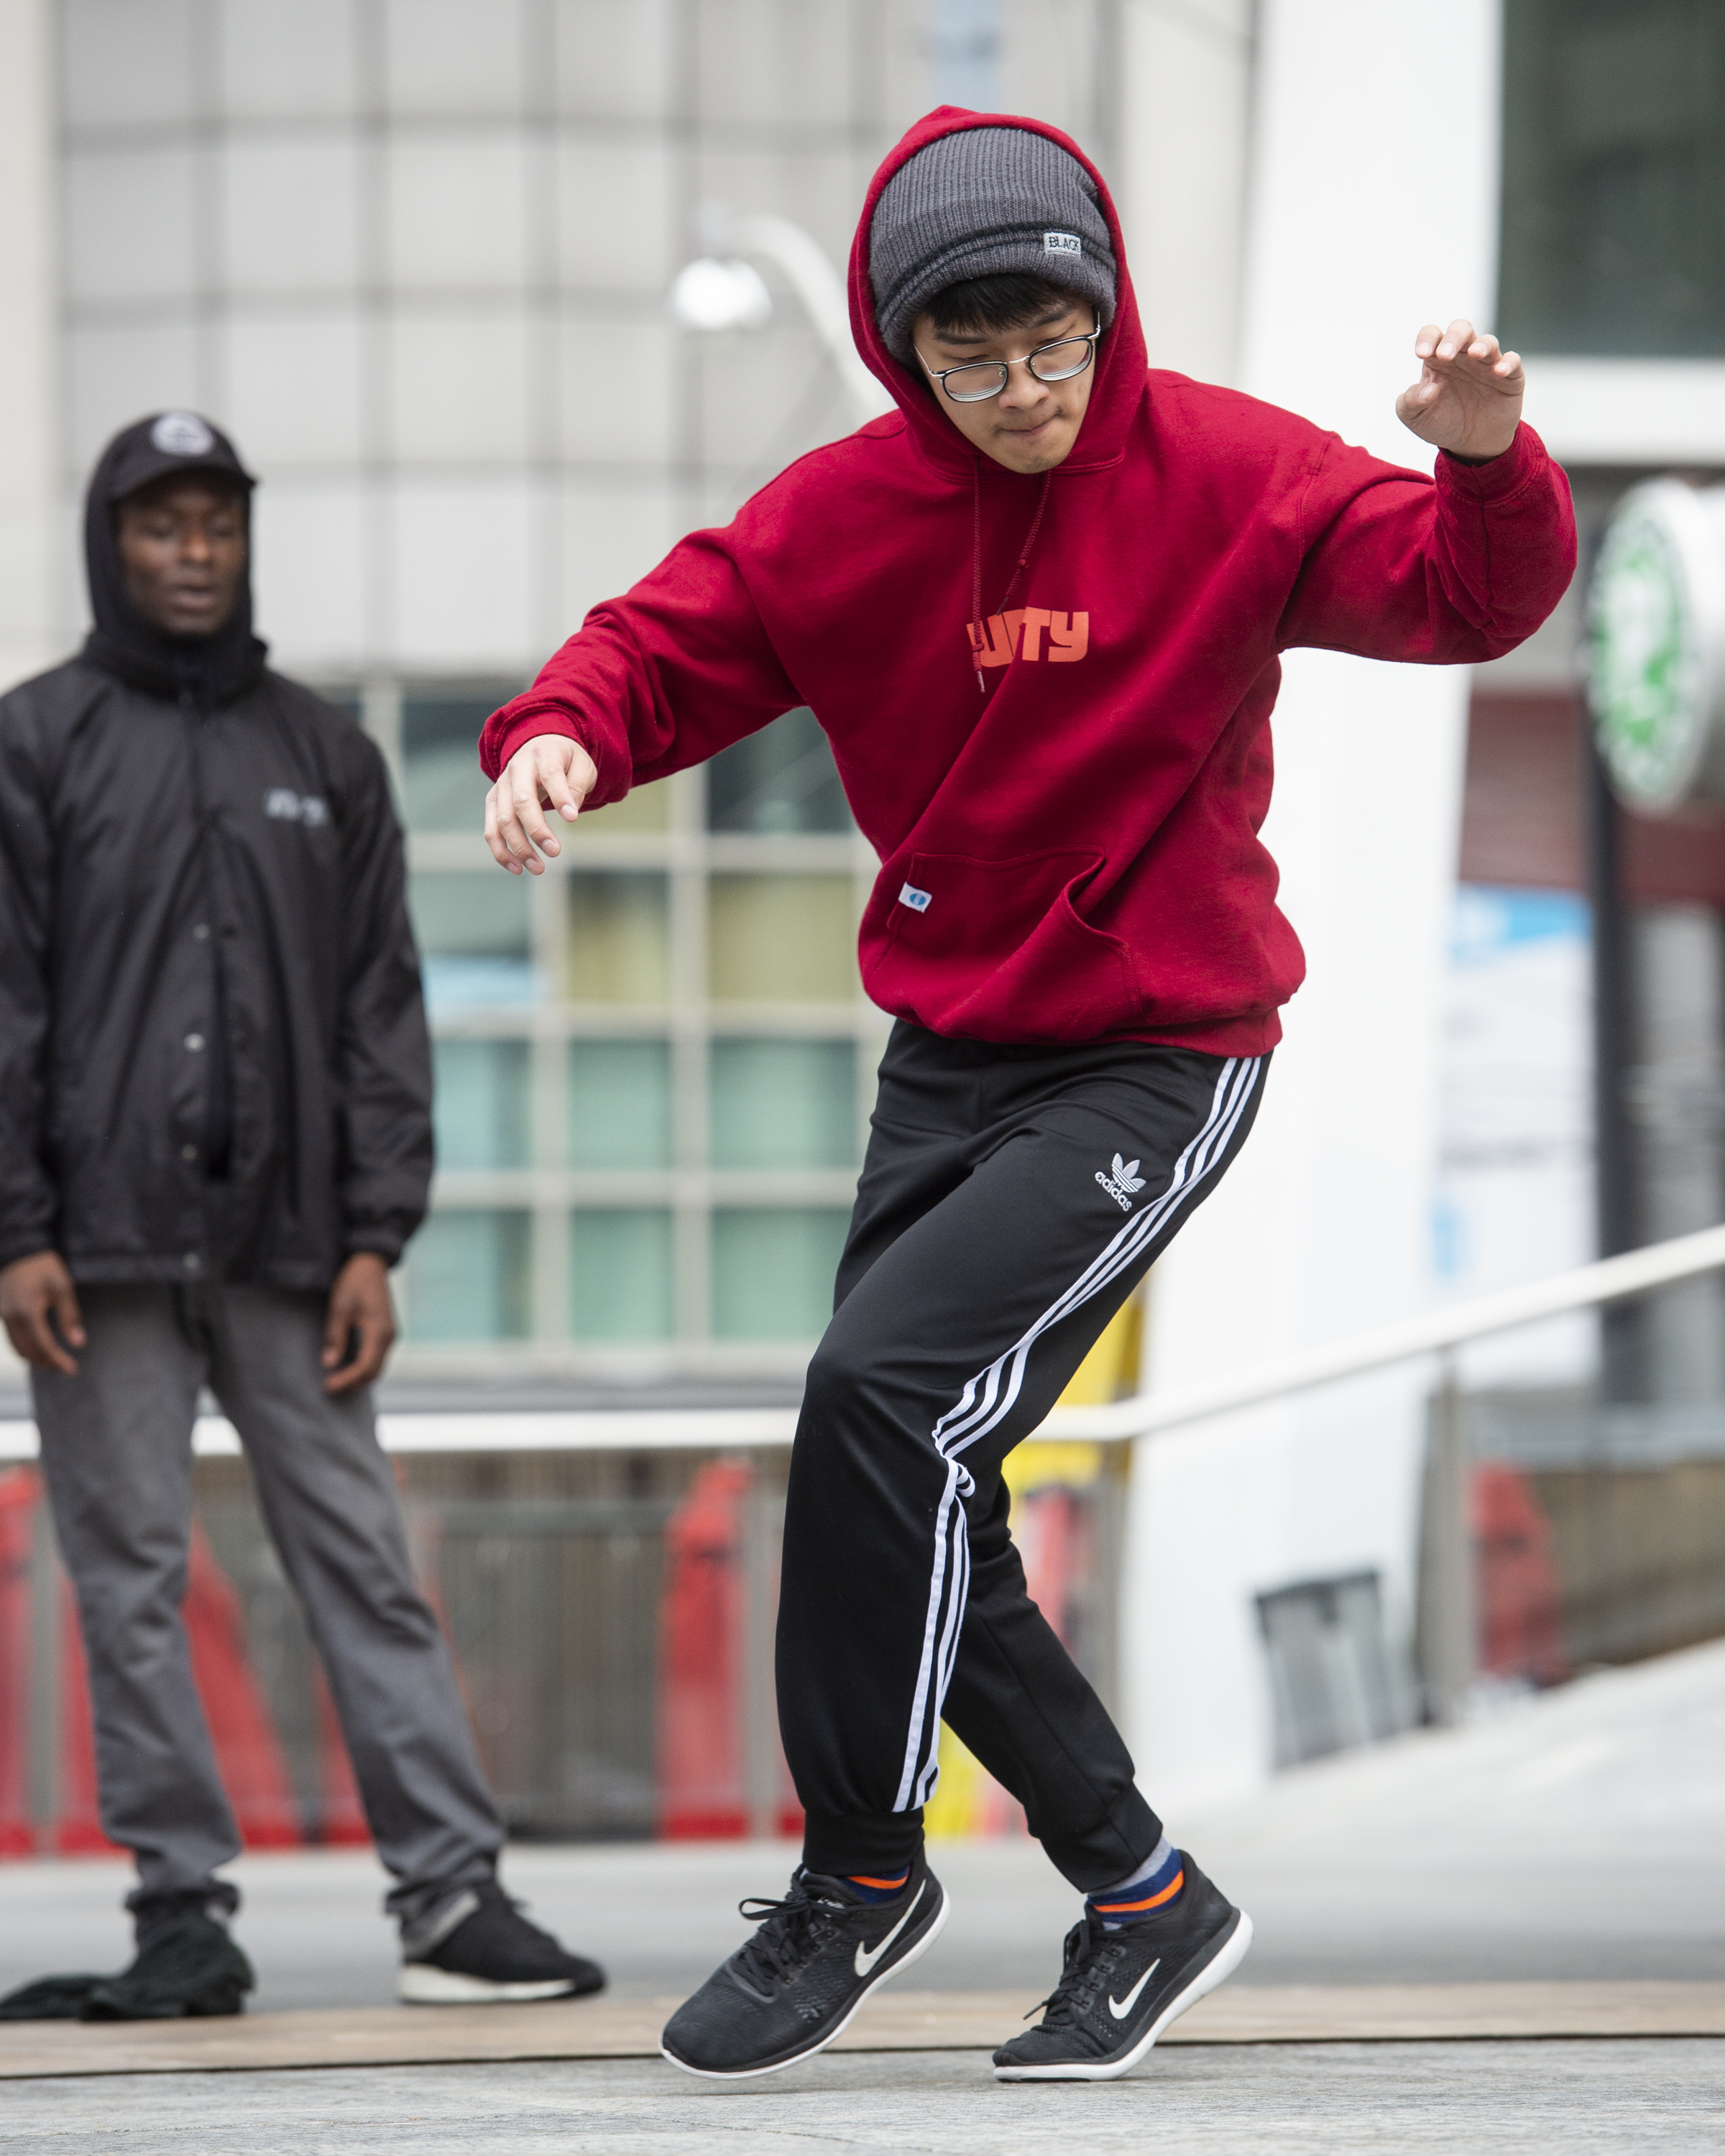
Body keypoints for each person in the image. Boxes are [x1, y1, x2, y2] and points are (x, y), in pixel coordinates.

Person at [478, 109, 1577, 2083]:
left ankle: (866, 1874)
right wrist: (559, 737)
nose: (1018, 397)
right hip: (954, 1054)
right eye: (968, 361)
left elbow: (1460, 598)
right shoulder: (841, 516)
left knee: (878, 1397)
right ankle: (1145, 1893)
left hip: (1161, 1046)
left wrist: (1482, 460)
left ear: (1105, 313)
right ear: (907, 357)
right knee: (908, 1476)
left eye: (1050, 347)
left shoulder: (1231, 475)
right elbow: (662, 647)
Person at [0, 413, 603, 2021]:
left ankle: (452, 1900)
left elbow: (377, 1012)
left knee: (363, 1562)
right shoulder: (34, 742)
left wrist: (375, 1237)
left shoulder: (323, 753)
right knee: (126, 1575)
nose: (193, 552)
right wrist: (13, 1230)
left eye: (217, 523)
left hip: (293, 1249)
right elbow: (3, 1006)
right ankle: (180, 1913)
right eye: (160, 526)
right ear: (109, 544)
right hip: (98, 1255)